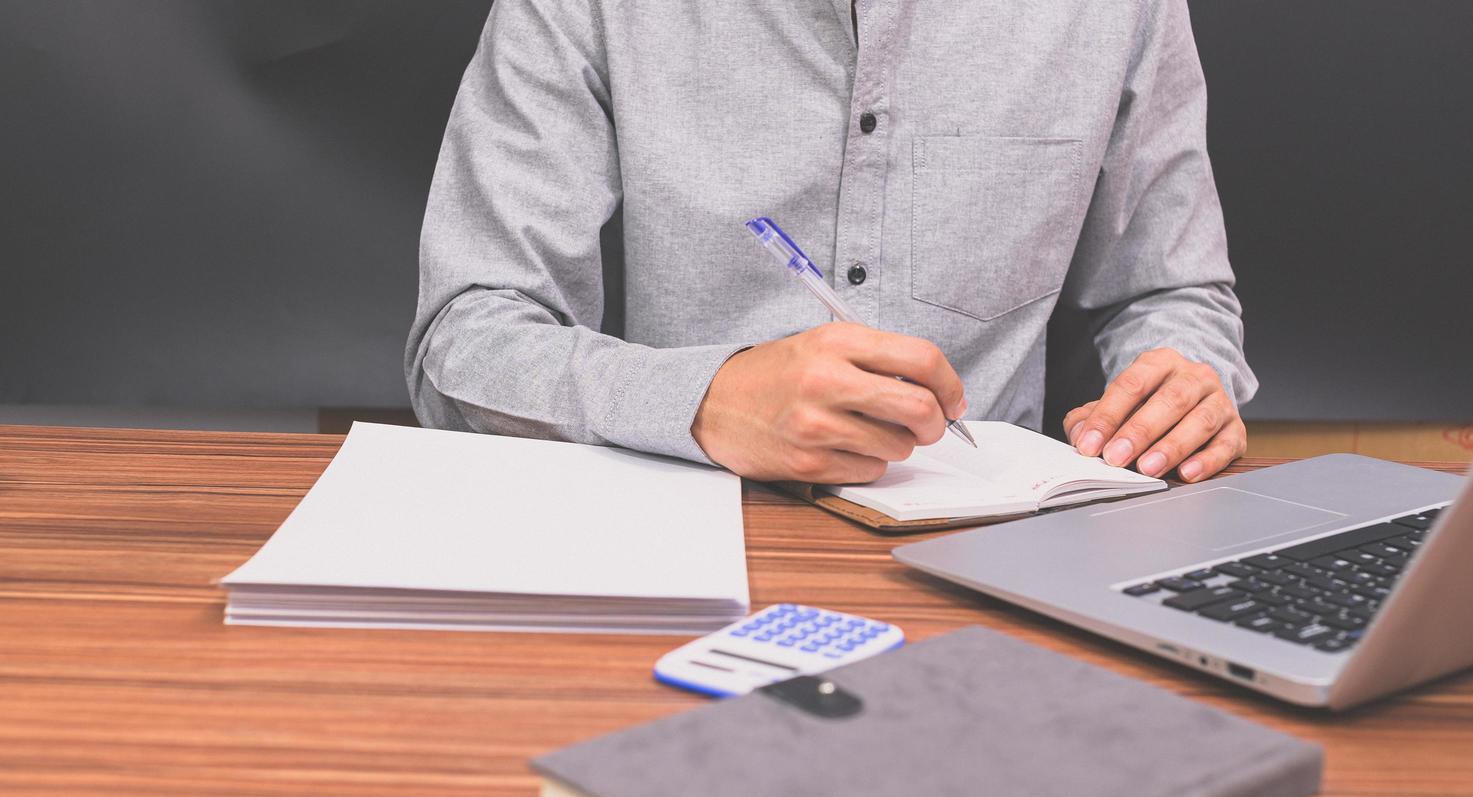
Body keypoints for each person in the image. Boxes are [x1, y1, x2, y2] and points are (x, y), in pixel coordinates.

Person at [406, 0, 1256, 486]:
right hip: (675, 532)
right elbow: (466, 340)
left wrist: (1182, 376)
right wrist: (701, 402)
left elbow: (1170, 291)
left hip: (1002, 555)